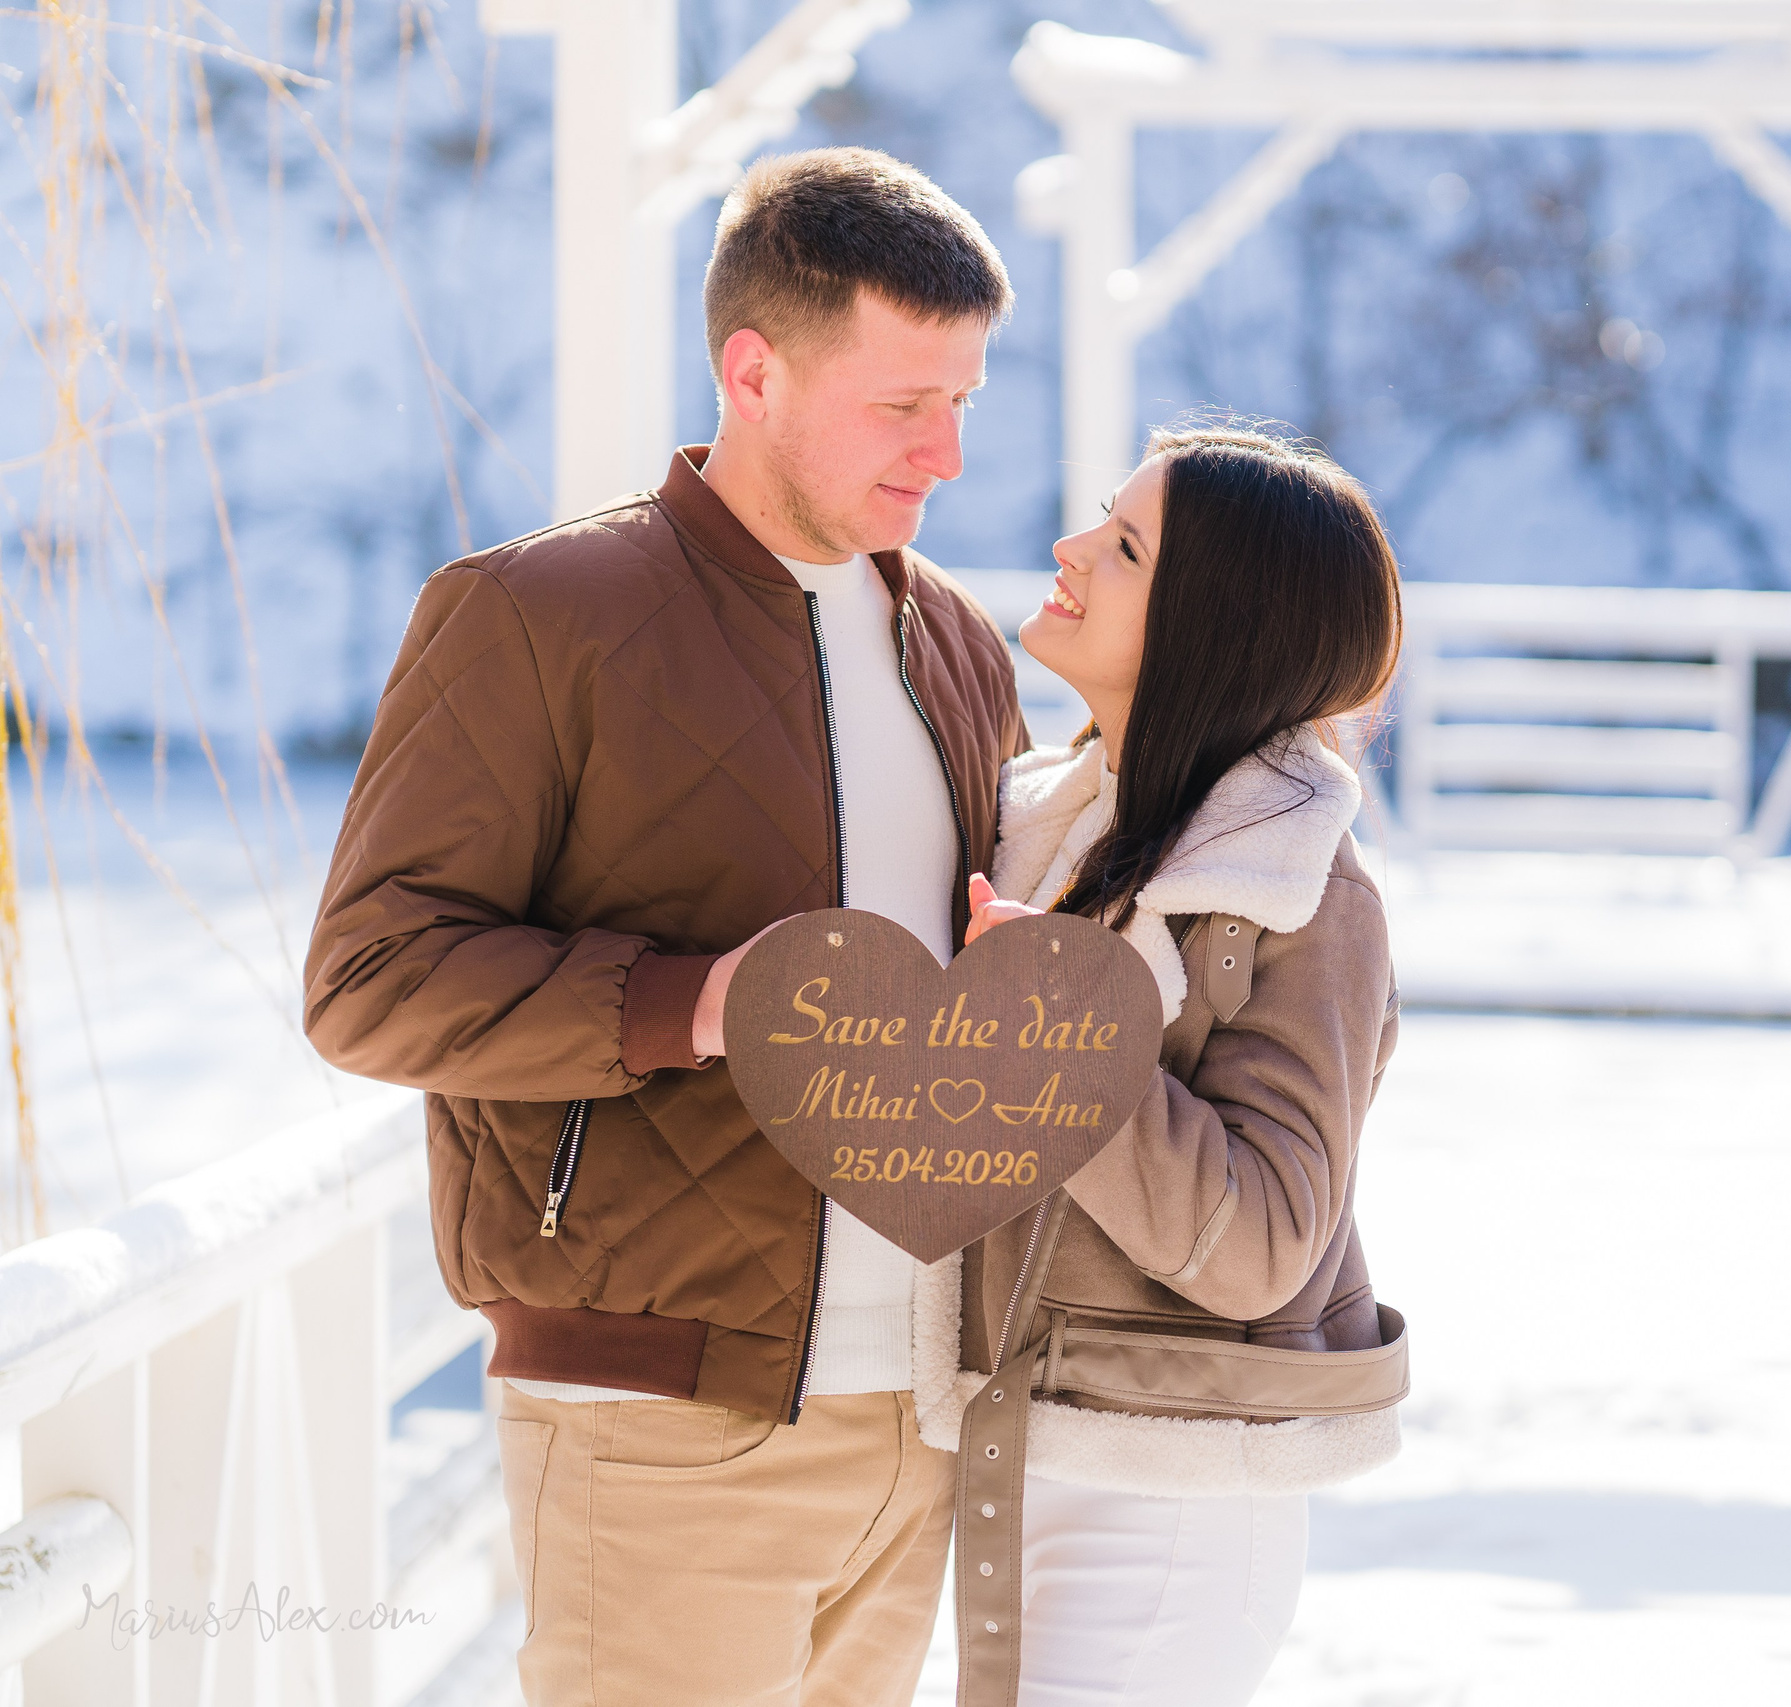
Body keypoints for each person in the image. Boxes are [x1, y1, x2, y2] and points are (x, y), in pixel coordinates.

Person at [302, 147, 1025, 1706]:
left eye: (967, 399)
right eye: (906, 405)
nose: (949, 453)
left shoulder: (959, 644)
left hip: (917, 1424)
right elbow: (367, 983)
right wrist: (699, 1004)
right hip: (661, 1424)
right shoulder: (537, 614)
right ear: (753, 371)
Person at [945, 424, 1412, 1707]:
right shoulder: (1056, 830)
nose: (1071, 546)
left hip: (1174, 1502)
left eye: (1128, 544)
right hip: (1021, 1444)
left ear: (1218, 623)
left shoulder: (1303, 897)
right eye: (1105, 516)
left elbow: (1263, 1241)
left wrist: (1054, 1033)